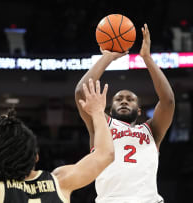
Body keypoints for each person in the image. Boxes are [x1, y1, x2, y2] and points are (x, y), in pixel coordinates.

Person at [75, 24, 175, 203]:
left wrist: (147, 58)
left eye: (130, 99)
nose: (124, 101)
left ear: (139, 110)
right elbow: (81, 93)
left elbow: (168, 101)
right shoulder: (101, 124)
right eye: (119, 98)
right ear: (109, 108)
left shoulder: (152, 130)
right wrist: (107, 57)